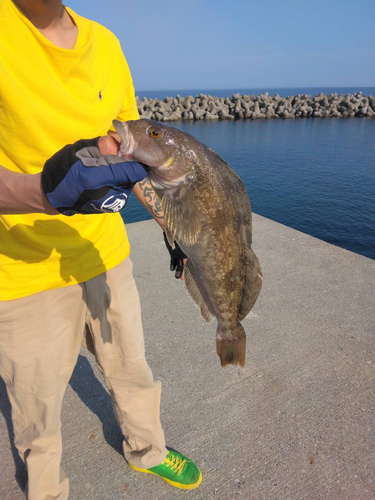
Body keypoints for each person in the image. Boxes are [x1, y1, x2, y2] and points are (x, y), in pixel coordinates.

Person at [0, 0, 201, 499]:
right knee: (37, 411)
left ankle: (148, 450)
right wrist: (43, 193)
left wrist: (173, 230)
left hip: (106, 253)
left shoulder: (106, 43)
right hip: (22, 268)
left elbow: (136, 152)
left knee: (132, 368)